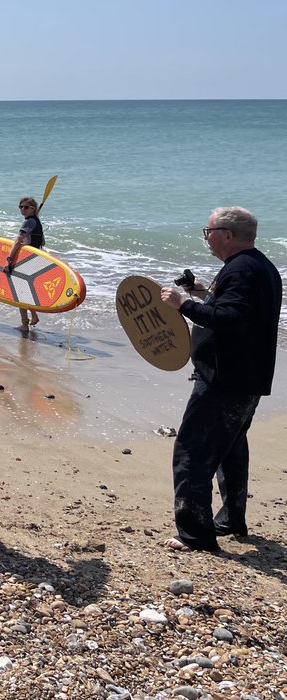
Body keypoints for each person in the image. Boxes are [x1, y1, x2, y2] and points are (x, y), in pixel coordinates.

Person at [159, 206, 281, 552]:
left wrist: (182, 304)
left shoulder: (241, 270)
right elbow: (238, 312)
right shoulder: (258, 266)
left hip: (225, 380)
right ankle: (231, 518)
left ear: (226, 234)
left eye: (208, 231)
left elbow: (228, 318)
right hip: (246, 377)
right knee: (229, 448)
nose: (206, 238)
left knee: (192, 452)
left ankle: (195, 535)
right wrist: (201, 293)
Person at [5, 196, 45, 332]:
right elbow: (42, 243)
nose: (22, 209)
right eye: (20, 207)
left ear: (33, 209)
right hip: (34, 259)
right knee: (25, 291)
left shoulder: (28, 222)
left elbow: (18, 240)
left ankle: (25, 324)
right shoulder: (37, 222)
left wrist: (9, 259)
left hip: (26, 260)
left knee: (20, 292)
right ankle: (33, 316)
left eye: (26, 207)